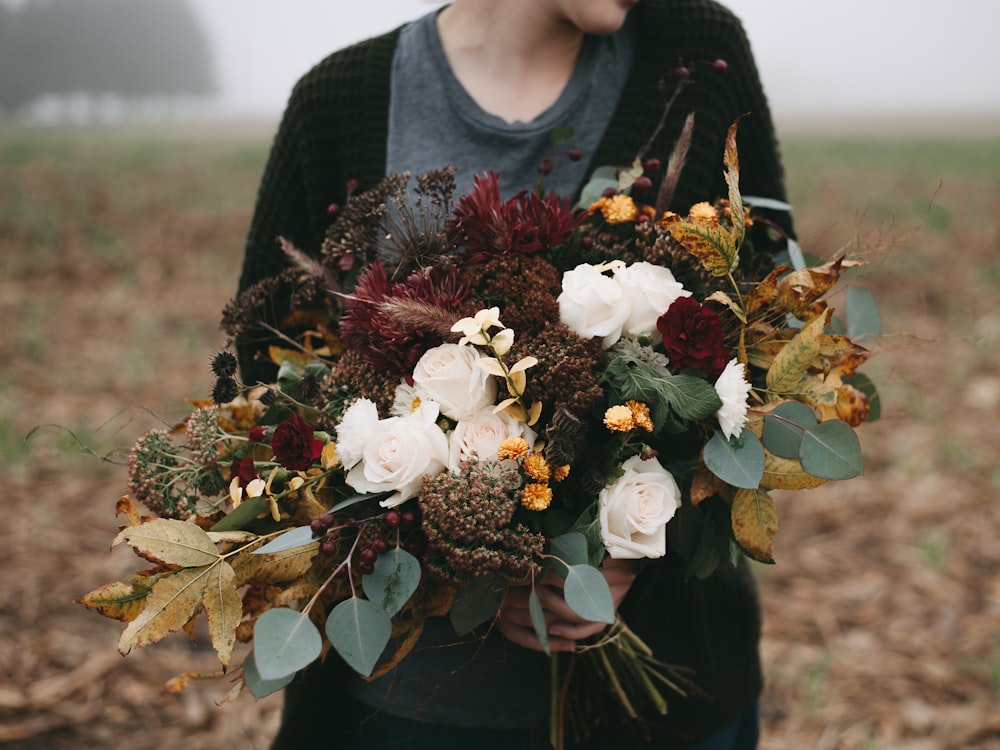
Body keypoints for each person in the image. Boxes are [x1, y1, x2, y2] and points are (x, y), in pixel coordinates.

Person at [236, 1, 794, 748]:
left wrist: (634, 532)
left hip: (664, 698)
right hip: (411, 709)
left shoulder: (694, 53)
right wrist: (457, 563)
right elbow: (267, 398)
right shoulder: (335, 102)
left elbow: (771, 338)